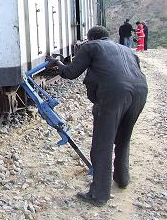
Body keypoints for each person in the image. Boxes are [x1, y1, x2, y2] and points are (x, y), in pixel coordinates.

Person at [46, 26, 148, 206]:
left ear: (91, 37)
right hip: (140, 91)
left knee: (103, 144)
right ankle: (122, 178)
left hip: (114, 93)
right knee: (123, 138)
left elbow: (70, 73)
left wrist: (57, 63)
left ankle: (99, 195)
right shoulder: (126, 50)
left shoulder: (91, 46)